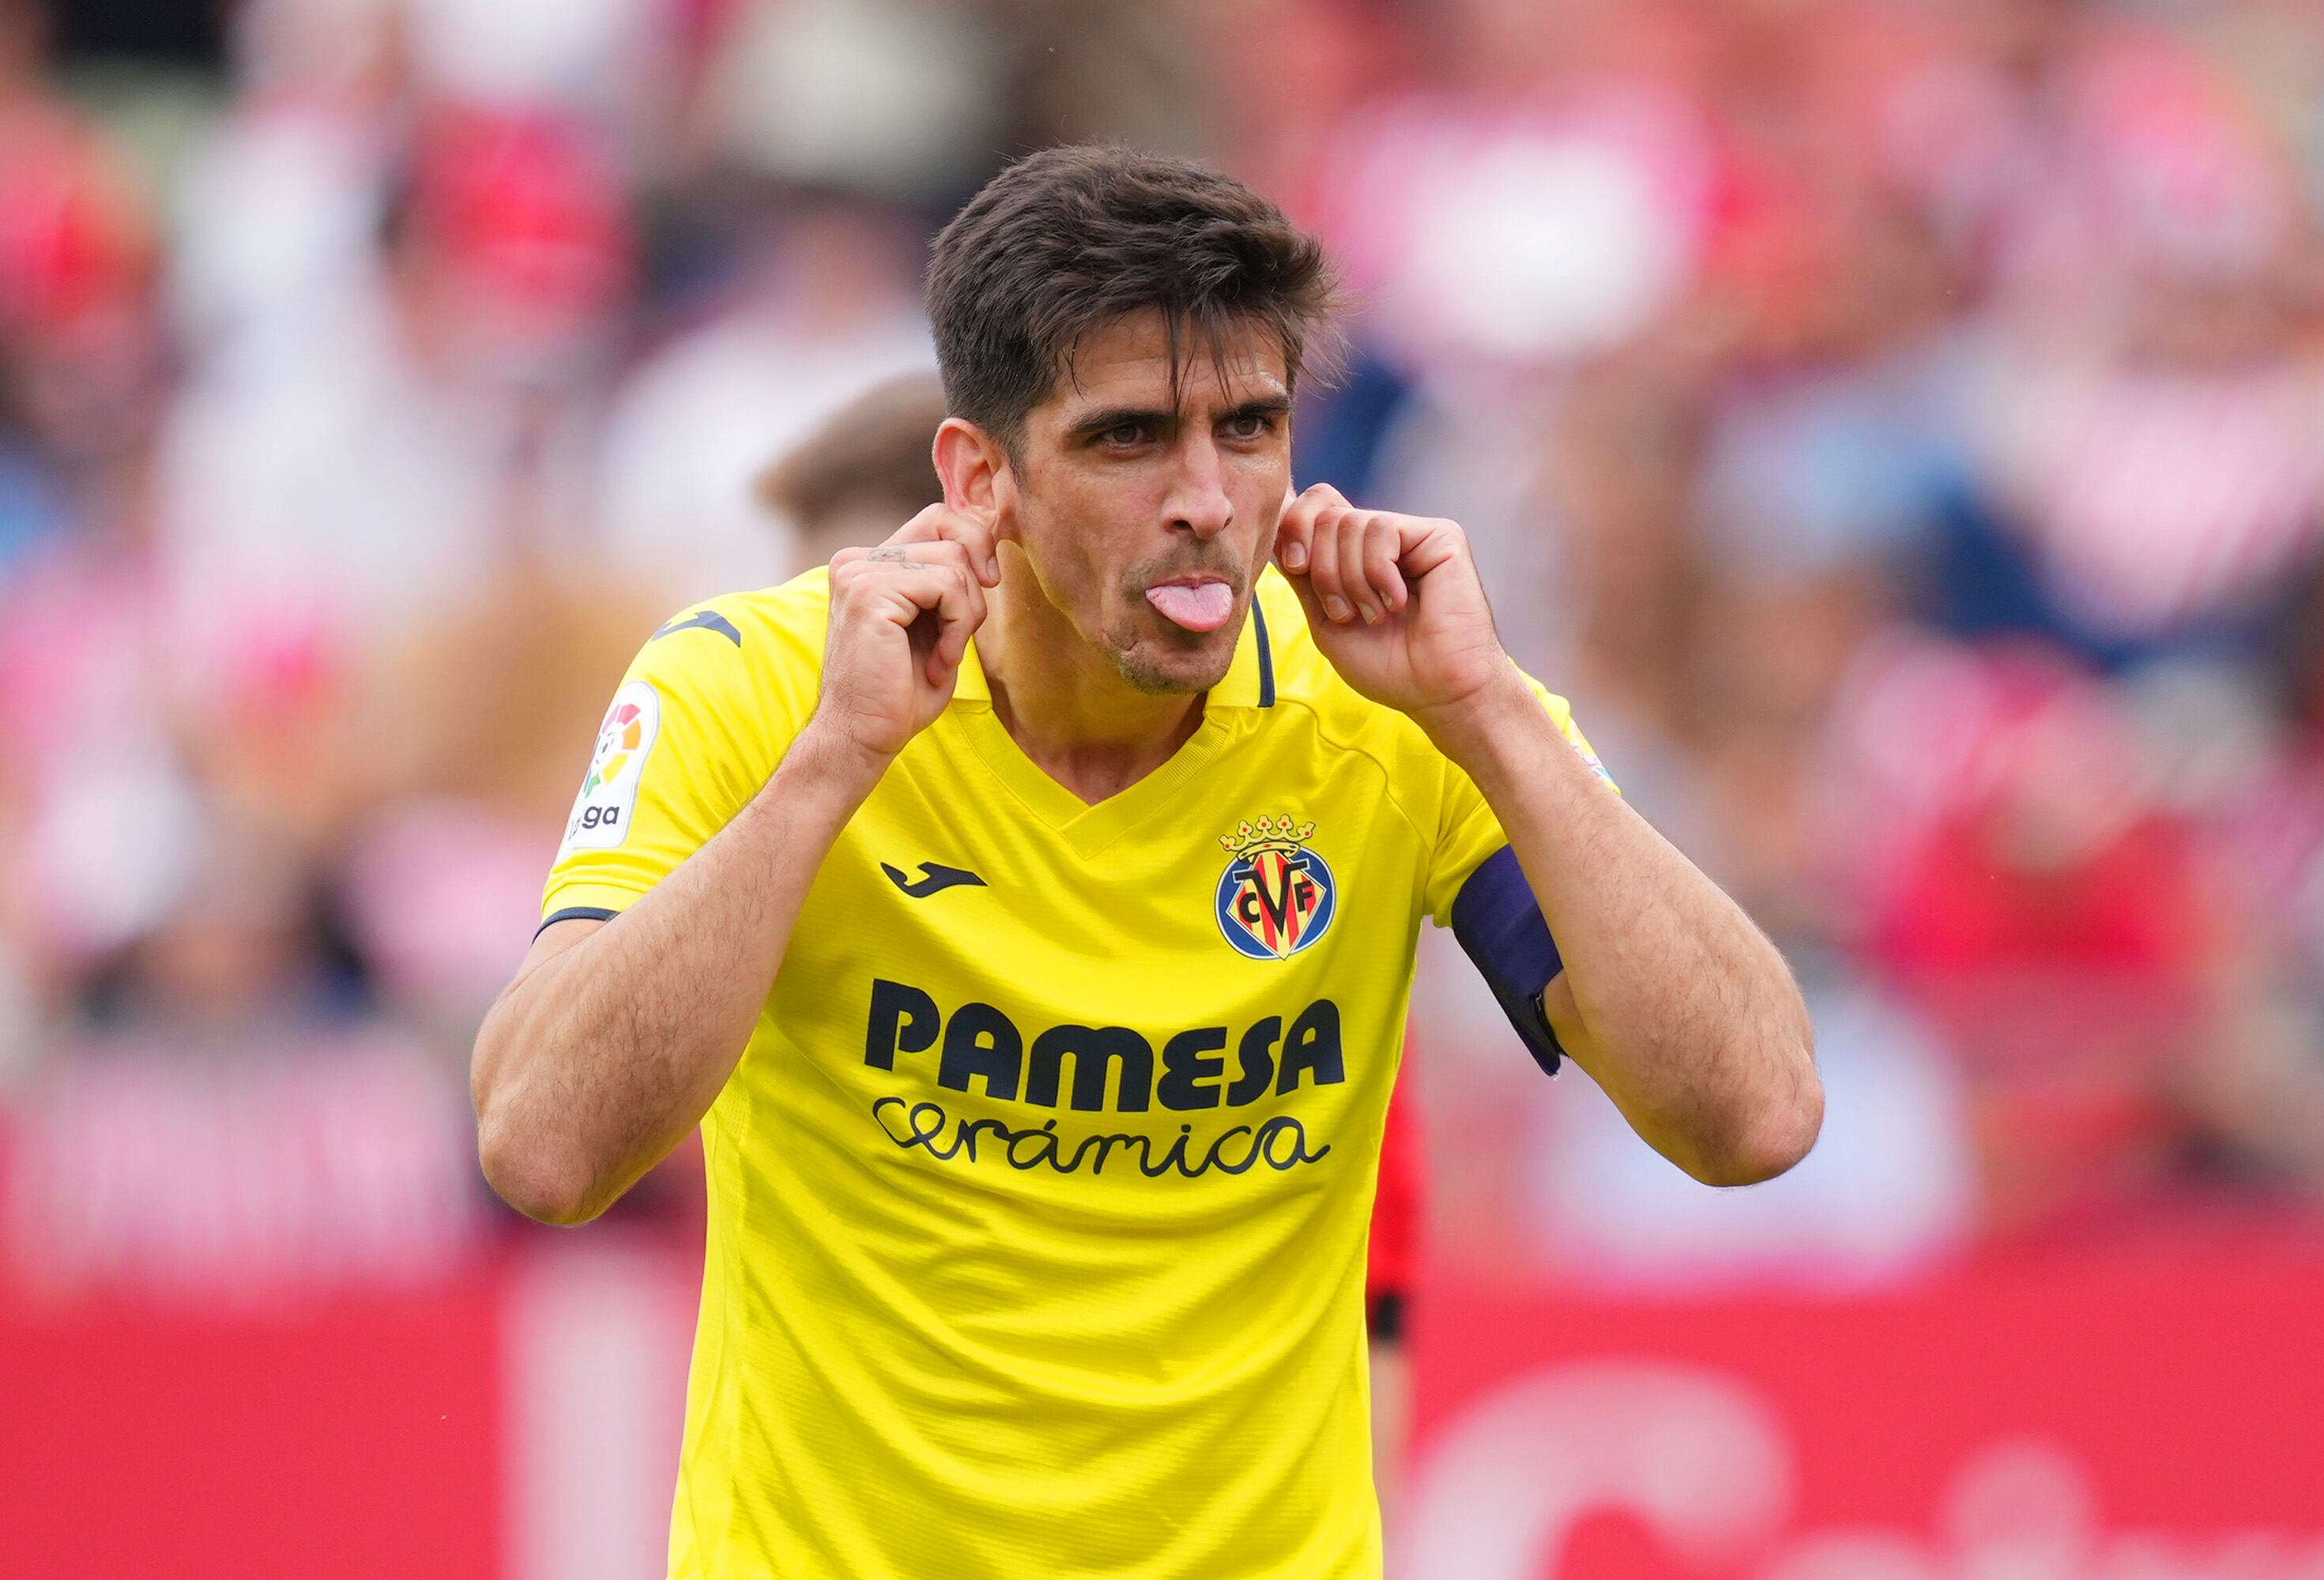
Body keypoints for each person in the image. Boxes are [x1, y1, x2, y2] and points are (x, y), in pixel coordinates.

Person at [470, 145, 1821, 1580]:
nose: (1205, 498)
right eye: (1127, 438)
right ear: (977, 476)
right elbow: (542, 1150)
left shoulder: (1394, 708)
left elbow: (1755, 1117)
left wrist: (1490, 713)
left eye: (1248, 427)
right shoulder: (755, 690)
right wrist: (834, 767)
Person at [757, 368, 1433, 1509]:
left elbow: (1373, 1341)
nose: (842, 644)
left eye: (882, 588)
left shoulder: (1296, 918)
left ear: (982, 542)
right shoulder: (801, 793)